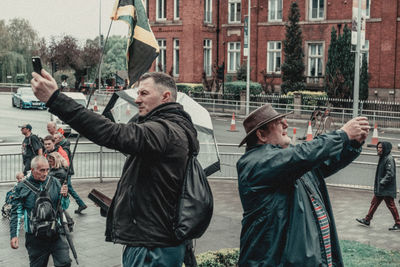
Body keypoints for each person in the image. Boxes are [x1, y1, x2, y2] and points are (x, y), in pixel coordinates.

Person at [31, 70, 198, 266]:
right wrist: (118, 207)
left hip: (152, 248)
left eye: (144, 93)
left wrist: (55, 99)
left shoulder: (164, 131)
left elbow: (111, 133)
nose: (137, 100)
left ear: (165, 96)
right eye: (137, 93)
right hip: (154, 241)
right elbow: (156, 193)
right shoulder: (171, 129)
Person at [236, 104, 369, 266]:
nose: (286, 124)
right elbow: (303, 155)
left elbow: (323, 162)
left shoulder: (289, 163)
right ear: (261, 135)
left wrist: (353, 144)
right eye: (278, 122)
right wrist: (342, 135)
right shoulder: (255, 162)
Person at [9, 156, 71, 267]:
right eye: (42, 170)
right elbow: (16, 213)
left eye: (47, 169)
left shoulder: (55, 182)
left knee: (65, 262)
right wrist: (14, 235)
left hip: (56, 233)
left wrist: (65, 196)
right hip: (35, 238)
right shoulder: (21, 187)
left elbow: (64, 207)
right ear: (32, 170)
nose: (45, 173)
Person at [356, 141, 400, 231]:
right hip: (382, 188)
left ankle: (398, 223)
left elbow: (390, 174)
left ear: (385, 149)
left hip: (386, 188)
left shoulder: (389, 158)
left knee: (391, 205)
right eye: (378, 147)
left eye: (381, 148)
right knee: (374, 203)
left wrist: (382, 182)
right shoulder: (383, 157)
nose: (378, 149)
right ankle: (367, 220)